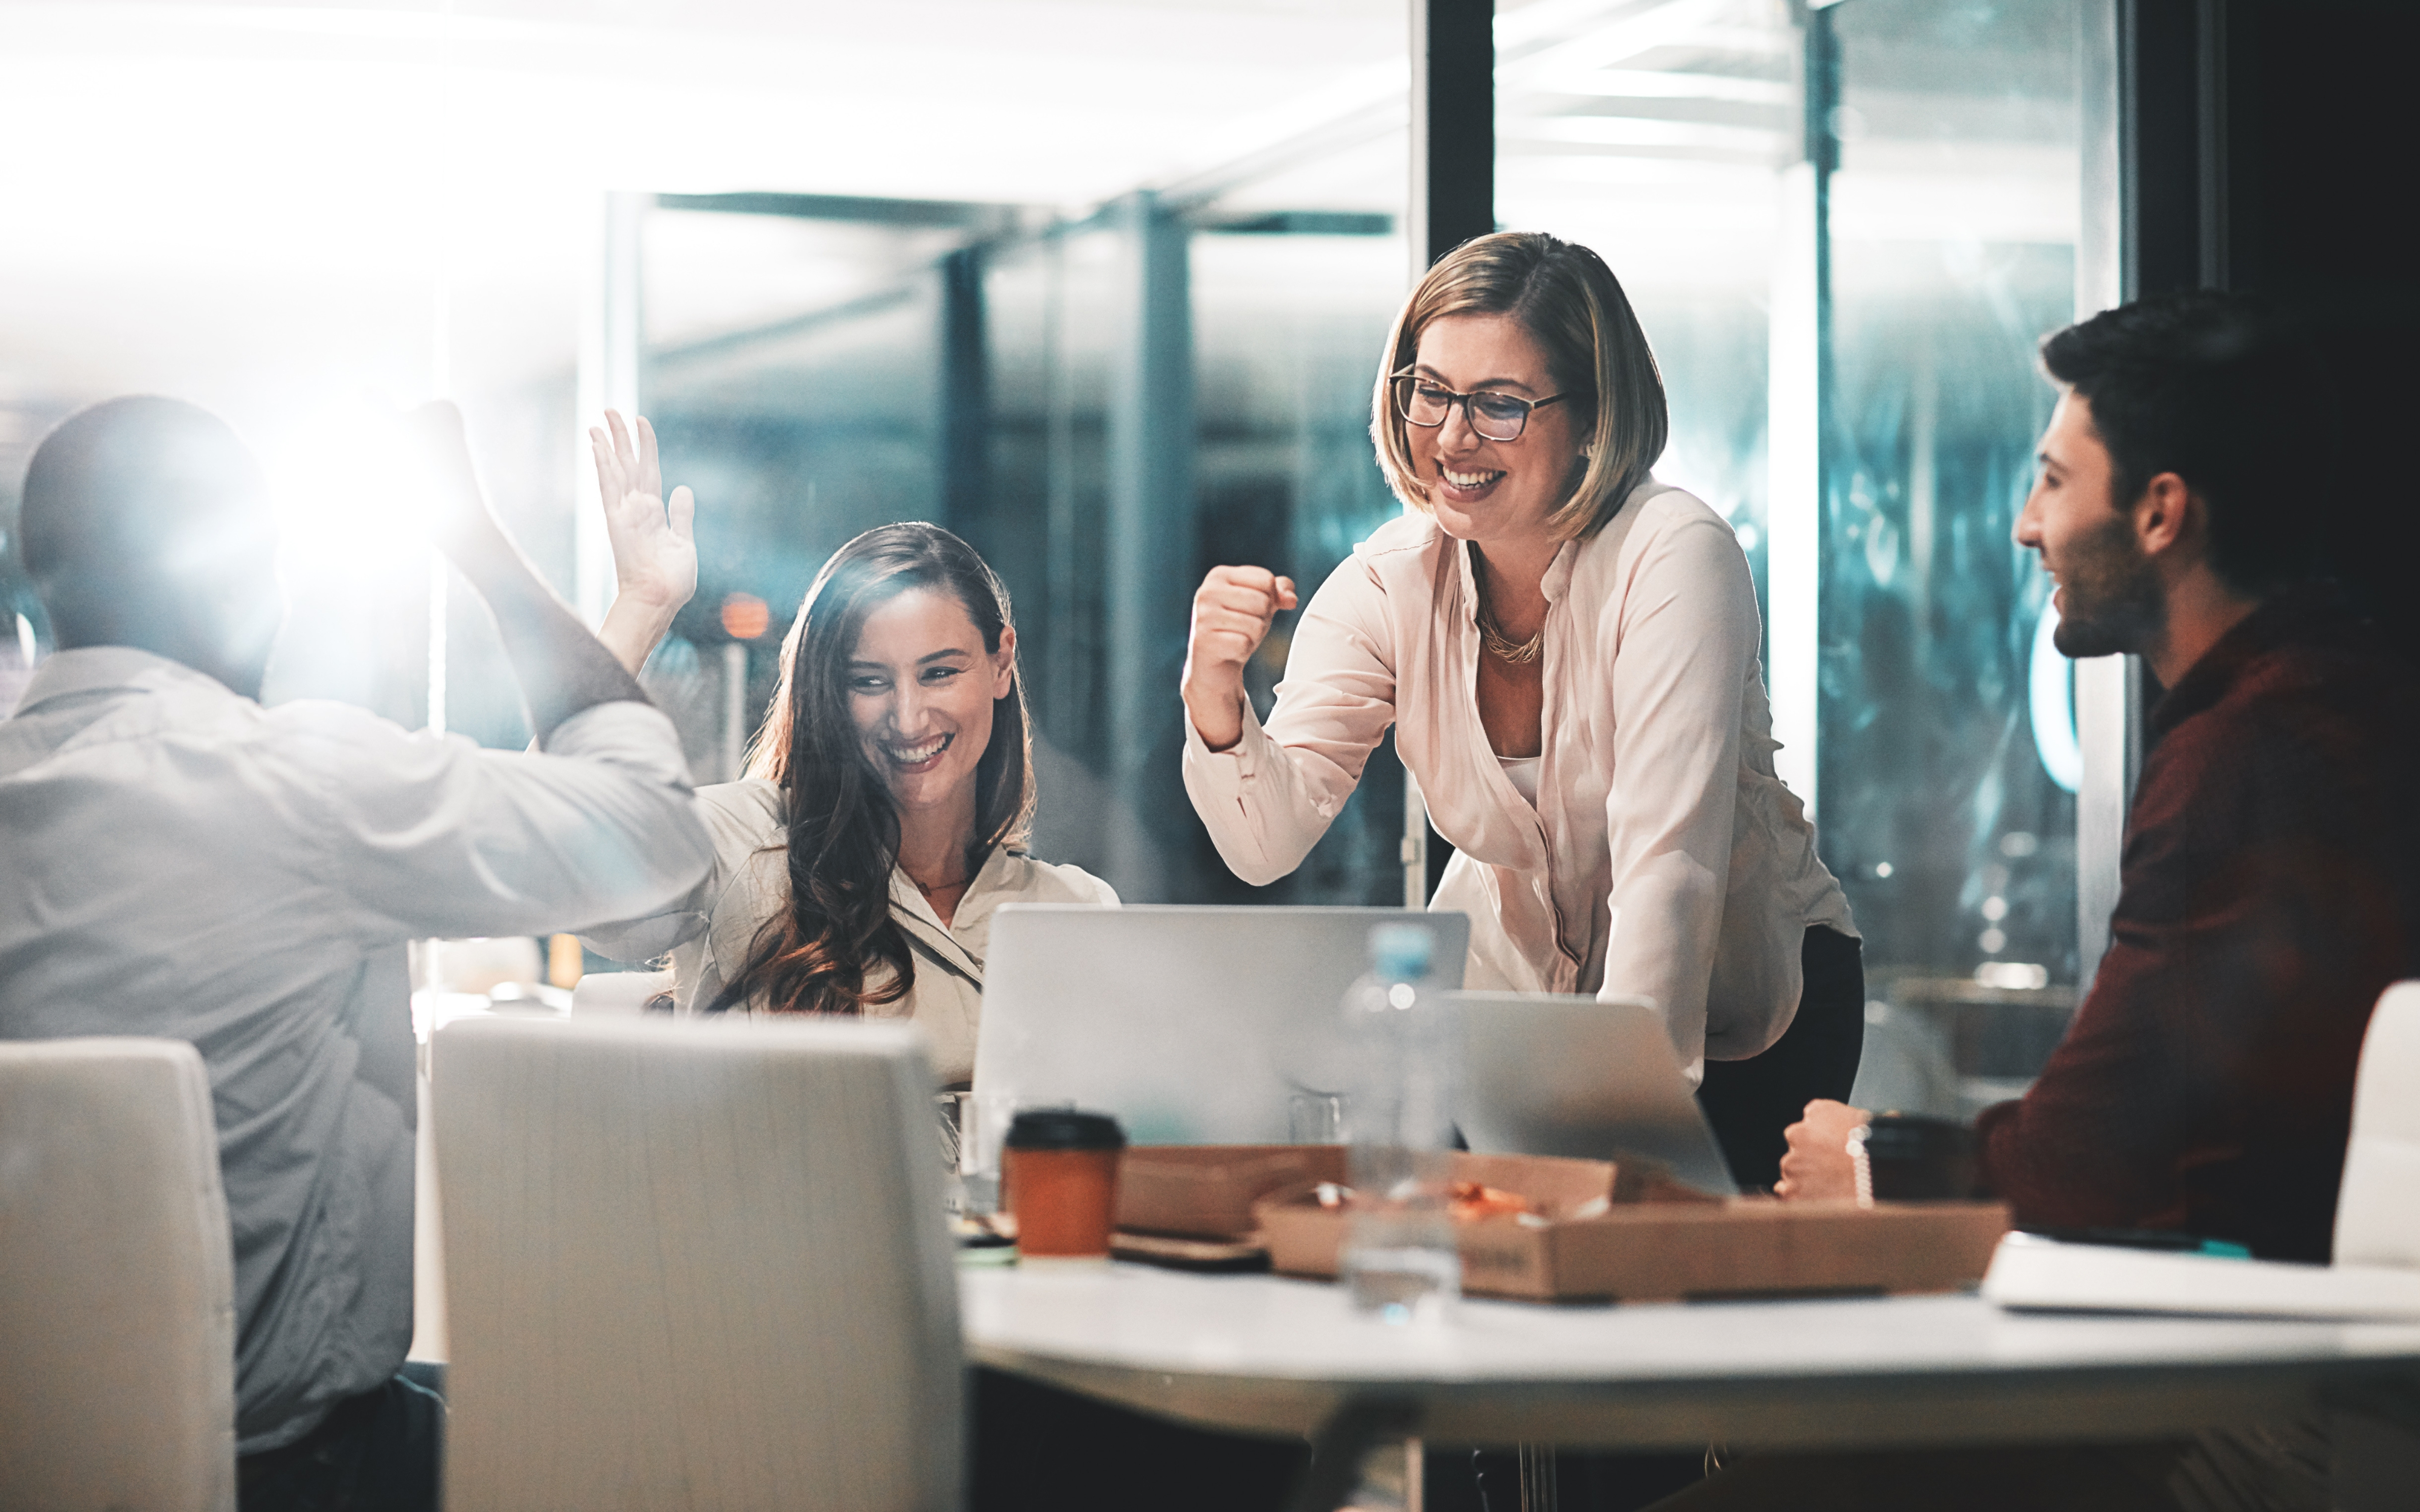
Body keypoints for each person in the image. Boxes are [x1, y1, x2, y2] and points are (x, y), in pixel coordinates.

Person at [1698, 293, 2420, 1512]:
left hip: (2269, 1409)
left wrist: (1873, 1165)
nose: (2027, 525)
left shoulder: (2254, 755)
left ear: (2160, 512)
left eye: (2052, 480)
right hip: (2278, 1360)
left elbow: (2100, 1168)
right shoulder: (2330, 702)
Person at [0, 396, 713, 1511]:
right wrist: (476, 541)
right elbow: (653, 837)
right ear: (240, 579)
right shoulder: (298, 787)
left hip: (30, 1460)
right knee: (636, 1435)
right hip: (286, 1472)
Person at [1181, 231, 1860, 1186]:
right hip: (1520, 1007)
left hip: (1742, 1003)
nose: (1452, 437)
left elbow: (1669, 867)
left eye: (1499, 404)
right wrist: (1214, 696)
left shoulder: (1673, 553)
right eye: (1430, 390)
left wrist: (1613, 1131)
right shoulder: (1386, 581)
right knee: (1474, 1247)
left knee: (1671, 1263)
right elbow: (1265, 842)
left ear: (1592, 419)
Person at [577, 413, 1114, 1084]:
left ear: (1001, 663)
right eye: (869, 681)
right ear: (828, 690)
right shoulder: (744, 844)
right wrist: (643, 606)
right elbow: (546, 859)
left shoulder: (1075, 910)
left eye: (940, 673)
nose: (909, 717)